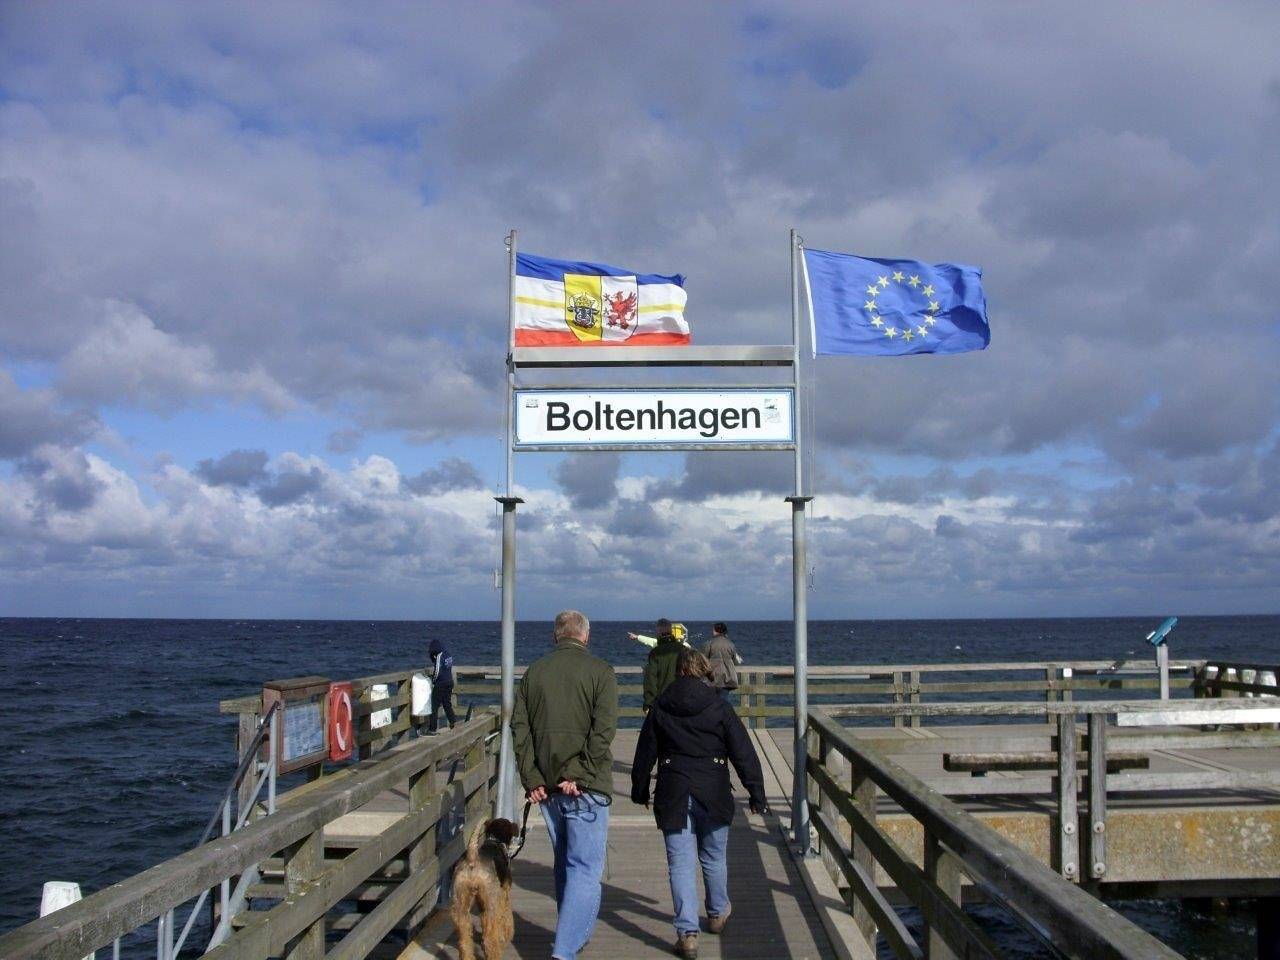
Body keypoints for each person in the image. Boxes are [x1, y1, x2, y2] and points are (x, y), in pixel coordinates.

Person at [631, 648, 768, 960]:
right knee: (713, 857)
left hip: (674, 788)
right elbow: (743, 752)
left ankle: (687, 933)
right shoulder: (719, 705)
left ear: (679, 672)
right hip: (713, 789)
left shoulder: (661, 705)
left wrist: (640, 790)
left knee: (680, 864)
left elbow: (645, 752)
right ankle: (718, 913)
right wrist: (756, 793)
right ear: (705, 671)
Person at [511, 610, 617, 960]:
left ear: (557, 636)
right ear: (585, 636)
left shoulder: (533, 673)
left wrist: (532, 778)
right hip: (587, 788)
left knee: (564, 864)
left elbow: (520, 731)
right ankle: (565, 950)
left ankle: (569, 936)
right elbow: (603, 732)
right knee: (584, 868)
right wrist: (581, 773)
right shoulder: (601, 672)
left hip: (548, 788)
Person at [643, 618, 684, 712]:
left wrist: (648, 702)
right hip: (682, 698)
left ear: (658, 632)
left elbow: (651, 679)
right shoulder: (683, 649)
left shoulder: (655, 652)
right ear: (671, 631)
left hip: (663, 700)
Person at [703, 622, 741, 703]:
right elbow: (735, 661)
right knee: (723, 702)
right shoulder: (730, 644)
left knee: (711, 703)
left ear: (715, 631)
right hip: (727, 679)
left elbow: (703, 660)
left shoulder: (709, 643)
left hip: (712, 678)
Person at [427, 637, 457, 732]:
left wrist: (433, 681)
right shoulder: (448, 654)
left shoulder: (439, 656)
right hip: (449, 682)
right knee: (447, 703)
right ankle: (453, 722)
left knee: (434, 707)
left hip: (441, 684)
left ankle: (432, 729)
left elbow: (437, 672)